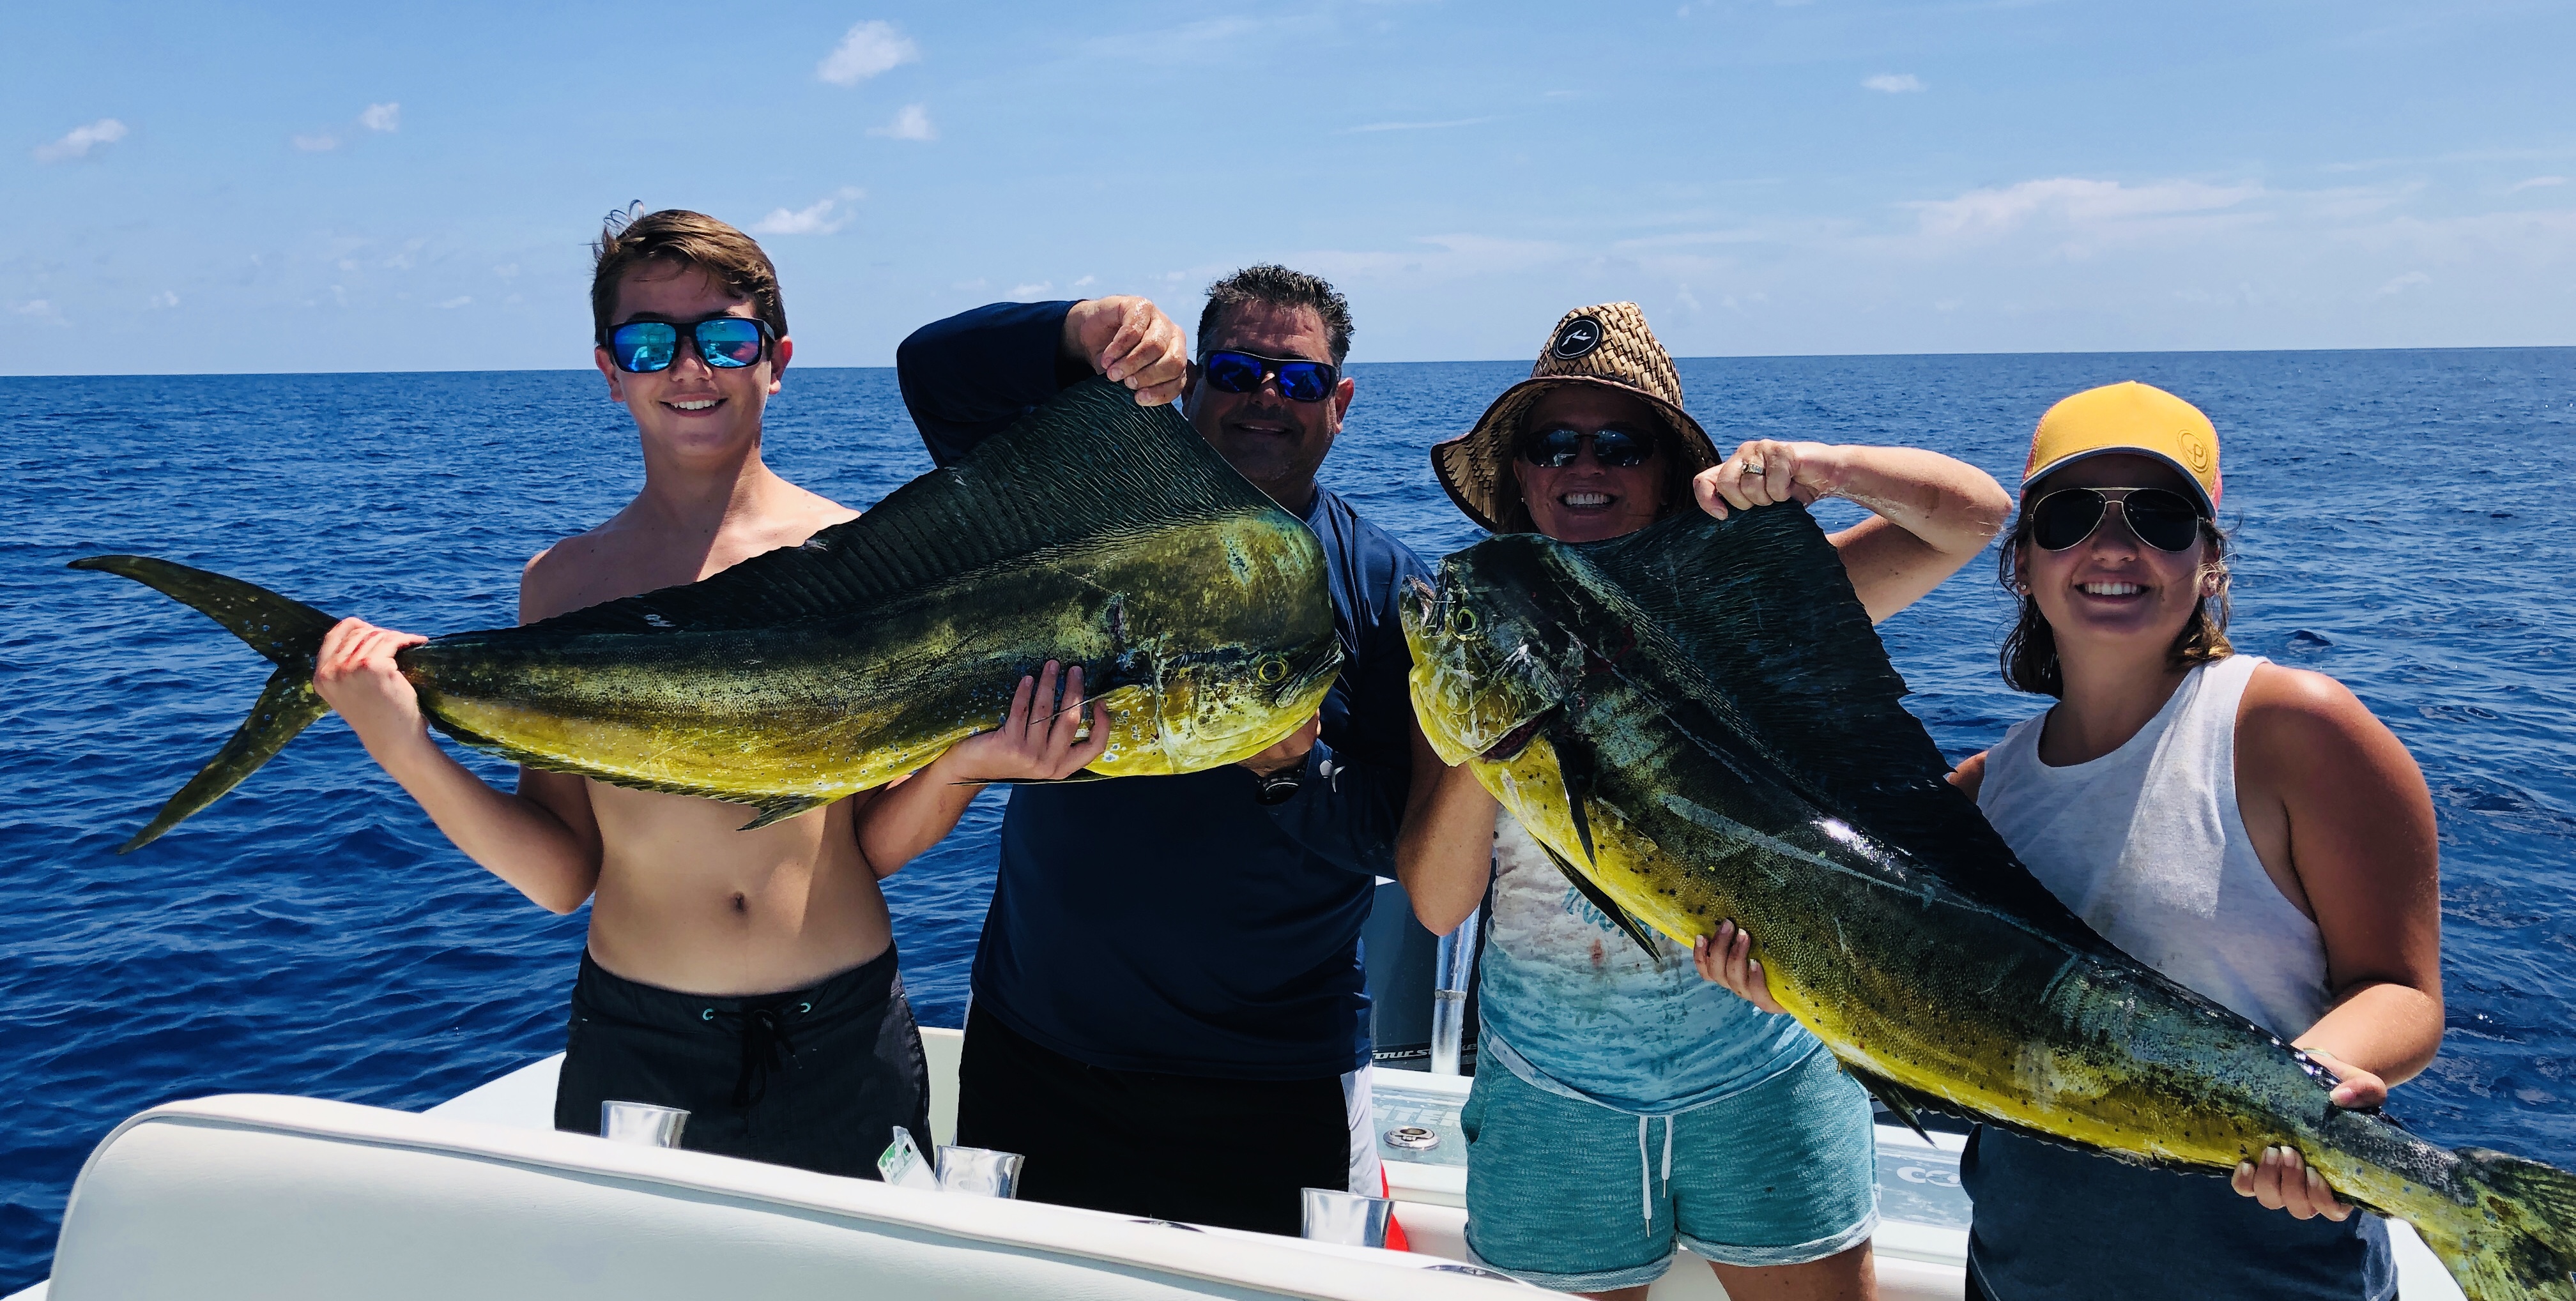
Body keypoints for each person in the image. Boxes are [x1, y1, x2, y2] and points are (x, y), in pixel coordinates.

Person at [307, 208, 943, 1178]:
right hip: (643, 1043)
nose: (691, 370)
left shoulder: (865, 559)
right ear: (611, 372)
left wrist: (974, 763)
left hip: (845, 1032)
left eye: (726, 339)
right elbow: (562, 871)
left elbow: (872, 841)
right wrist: (405, 748)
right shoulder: (564, 586)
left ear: (777, 360)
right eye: (651, 342)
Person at [1398, 302, 2010, 1300]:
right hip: (1556, 1099)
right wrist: (1503, 709)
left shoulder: (1759, 626)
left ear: (1667, 471)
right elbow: (1433, 904)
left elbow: (1974, 516)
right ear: (1520, 472)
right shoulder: (1469, 641)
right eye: (1554, 443)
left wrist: (1825, 467)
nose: (1582, 466)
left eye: (1619, 445)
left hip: (1764, 1074)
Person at [878, 267, 1432, 1234]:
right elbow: (933, 373)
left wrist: (1294, 775)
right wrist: (1078, 328)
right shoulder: (1087, 517)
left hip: (1278, 1080)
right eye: (1235, 370)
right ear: (1188, 386)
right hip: (1039, 1052)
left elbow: (1410, 840)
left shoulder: (1388, 588)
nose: (1267, 397)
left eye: (1297, 381)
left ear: (1339, 404)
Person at [1924, 381, 2440, 1300]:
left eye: (2161, 519)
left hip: (2271, 1272)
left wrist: (2304, 1095)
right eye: (2071, 515)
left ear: (2210, 562)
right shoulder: (1978, 795)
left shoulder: (2295, 729)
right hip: (2017, 1272)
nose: (2114, 548)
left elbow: (2400, 990)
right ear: (2022, 561)